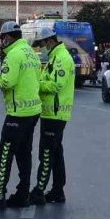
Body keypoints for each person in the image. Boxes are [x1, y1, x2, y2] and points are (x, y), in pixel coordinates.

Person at [0, 21, 42, 210]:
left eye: (3, 38)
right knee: (24, 153)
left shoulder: (13, 55)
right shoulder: (31, 53)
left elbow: (7, 82)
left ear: (9, 37)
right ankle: (22, 195)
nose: (2, 41)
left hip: (17, 113)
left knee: (4, 153)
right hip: (33, 111)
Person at [31, 27, 75, 205]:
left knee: (46, 153)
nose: (41, 49)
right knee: (56, 153)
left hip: (55, 113)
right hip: (51, 112)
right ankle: (57, 191)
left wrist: (36, 85)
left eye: (42, 45)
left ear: (50, 42)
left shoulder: (62, 58)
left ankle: (39, 191)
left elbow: (56, 85)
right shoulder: (55, 57)